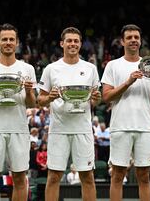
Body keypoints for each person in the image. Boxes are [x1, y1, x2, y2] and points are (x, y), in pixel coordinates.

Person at [101, 24, 150, 201]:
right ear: (122, 41)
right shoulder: (112, 66)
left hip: (145, 127)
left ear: (140, 41)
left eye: (136, 37)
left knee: (144, 176)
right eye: (129, 37)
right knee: (117, 175)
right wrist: (128, 82)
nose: (133, 40)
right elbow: (106, 97)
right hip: (120, 126)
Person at [37, 27, 101, 201]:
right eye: (69, 41)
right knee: (54, 177)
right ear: (62, 44)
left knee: (87, 177)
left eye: (76, 41)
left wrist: (96, 98)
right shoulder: (51, 68)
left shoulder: (90, 68)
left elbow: (96, 100)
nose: (73, 44)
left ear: (80, 44)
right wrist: (49, 97)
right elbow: (39, 100)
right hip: (59, 129)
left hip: (83, 129)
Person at [0, 23, 37, 201]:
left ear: (17, 43)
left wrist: (29, 91)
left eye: (11, 39)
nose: (8, 42)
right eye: (4, 39)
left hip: (19, 128)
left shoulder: (28, 69)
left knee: (19, 179)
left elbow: (32, 104)